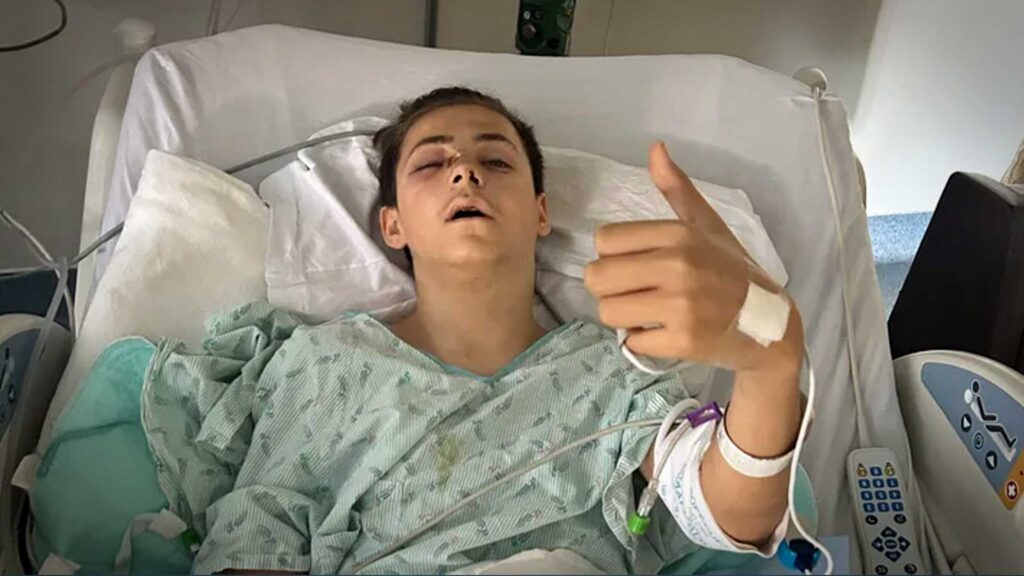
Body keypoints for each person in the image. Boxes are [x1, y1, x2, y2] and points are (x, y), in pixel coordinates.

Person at [154, 86, 805, 574]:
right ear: (392, 225)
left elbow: (733, 514)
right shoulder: (325, 363)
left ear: (541, 213)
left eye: (496, 161)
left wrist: (772, 362)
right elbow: (258, 540)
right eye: (430, 164)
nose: (465, 171)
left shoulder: (613, 373)